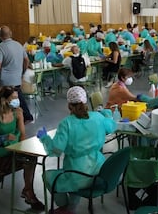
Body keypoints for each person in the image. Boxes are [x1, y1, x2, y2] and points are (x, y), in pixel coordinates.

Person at [37, 86, 116, 214]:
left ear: (69, 105)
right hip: (98, 171)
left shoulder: (66, 123)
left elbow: (55, 151)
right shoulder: (97, 117)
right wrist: (106, 114)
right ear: (85, 102)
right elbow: (111, 126)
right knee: (73, 176)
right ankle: (71, 208)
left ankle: (64, 207)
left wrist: (45, 138)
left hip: (77, 175)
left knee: (48, 176)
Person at [0, 86, 44, 210]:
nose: (17, 101)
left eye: (17, 98)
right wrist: (3, 138)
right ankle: (29, 193)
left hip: (12, 148)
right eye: (13, 98)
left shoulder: (17, 112)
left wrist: (24, 150)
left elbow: (22, 134)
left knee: (31, 158)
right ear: (3, 100)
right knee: (25, 162)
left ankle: (28, 191)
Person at [0, 26, 33, 123]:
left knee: (2, 101)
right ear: (11, 34)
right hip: (17, 78)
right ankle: (26, 117)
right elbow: (26, 60)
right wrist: (22, 71)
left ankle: (3, 120)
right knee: (18, 98)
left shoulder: (0, 47)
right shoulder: (19, 45)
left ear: (0, 36)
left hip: (5, 81)